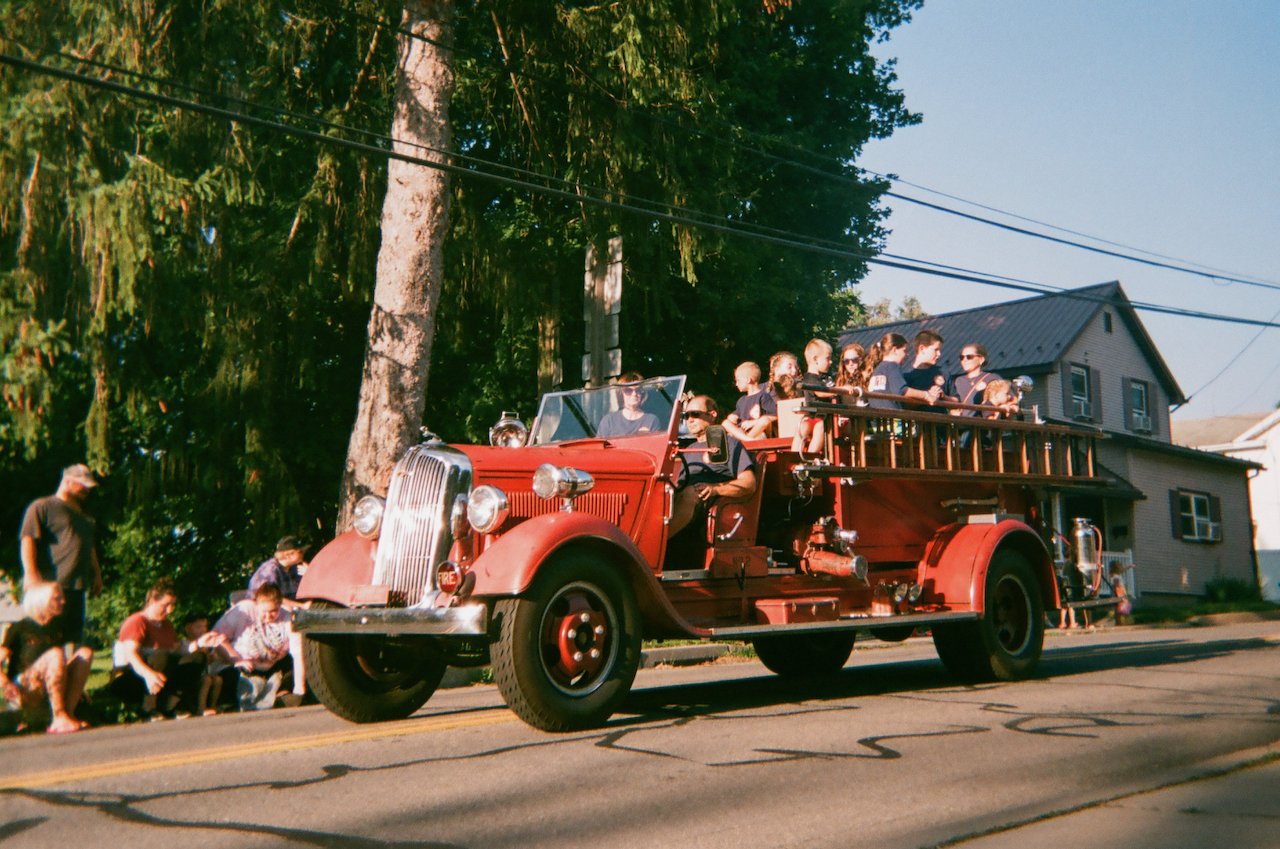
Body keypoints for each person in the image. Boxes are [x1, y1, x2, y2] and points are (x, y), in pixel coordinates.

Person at [111, 578, 224, 718]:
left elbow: (177, 651)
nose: (170, 610)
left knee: (196, 658)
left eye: (173, 605)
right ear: (152, 601)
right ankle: (148, 708)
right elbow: (130, 654)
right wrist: (148, 674)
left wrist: (200, 643)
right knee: (161, 656)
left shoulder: (166, 625)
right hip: (132, 675)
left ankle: (173, 706)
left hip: (159, 674)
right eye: (165, 605)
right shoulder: (137, 622)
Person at [18, 464, 104, 646]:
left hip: (77, 586)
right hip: (50, 588)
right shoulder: (42, 506)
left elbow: (89, 546)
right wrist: (31, 574)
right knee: (44, 639)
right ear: (67, 481)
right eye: (83, 484)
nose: (87, 489)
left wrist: (97, 573)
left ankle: (69, 674)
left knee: (72, 639)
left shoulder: (84, 515)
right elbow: (28, 539)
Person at [0, 583, 92, 734]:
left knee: (85, 653)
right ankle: (59, 716)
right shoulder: (19, 628)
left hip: (49, 685)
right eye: (57, 598)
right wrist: (6, 684)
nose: (63, 601)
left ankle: (66, 714)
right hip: (24, 688)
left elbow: (59, 666)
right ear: (41, 602)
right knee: (55, 653)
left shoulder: (58, 628)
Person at [669, 395, 757, 537]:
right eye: (686, 415)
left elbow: (749, 483)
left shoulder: (728, 442)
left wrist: (715, 489)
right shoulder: (688, 448)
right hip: (682, 500)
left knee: (690, 492)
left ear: (712, 415)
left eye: (695, 414)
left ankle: (650, 547)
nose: (689, 420)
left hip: (705, 503)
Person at [248, 535, 311, 706]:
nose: (304, 554)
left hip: (286, 615)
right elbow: (273, 601)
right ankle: (293, 689)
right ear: (289, 555)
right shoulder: (270, 571)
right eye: (301, 552)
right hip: (266, 620)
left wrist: (311, 574)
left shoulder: (293, 569)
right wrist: (302, 607)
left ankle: (299, 685)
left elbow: (305, 592)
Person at [213, 583, 296, 710]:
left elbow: (297, 651)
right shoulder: (244, 610)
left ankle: (282, 694)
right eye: (264, 611)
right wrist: (237, 660)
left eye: (273, 611)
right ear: (257, 604)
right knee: (232, 676)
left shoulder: (287, 617)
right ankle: (232, 703)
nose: (268, 616)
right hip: (240, 664)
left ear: (280, 606)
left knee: (293, 665)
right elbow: (218, 639)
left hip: (272, 665)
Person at [596, 372, 662, 438]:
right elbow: (599, 446)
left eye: (638, 390)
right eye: (628, 390)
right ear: (621, 394)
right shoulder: (609, 421)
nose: (634, 394)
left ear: (643, 393)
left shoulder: (651, 420)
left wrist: (646, 438)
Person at [723, 361, 777, 441]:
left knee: (764, 419)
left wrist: (753, 423)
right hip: (743, 433)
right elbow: (735, 417)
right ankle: (746, 440)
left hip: (758, 433)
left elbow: (775, 416)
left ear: (748, 380)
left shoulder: (763, 396)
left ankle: (747, 441)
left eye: (738, 380)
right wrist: (732, 417)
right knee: (725, 422)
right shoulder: (741, 400)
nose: (736, 384)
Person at [181, 613, 223, 715]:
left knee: (217, 679)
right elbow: (190, 654)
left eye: (205, 627)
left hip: (204, 672)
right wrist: (201, 648)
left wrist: (213, 656)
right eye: (198, 627)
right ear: (188, 628)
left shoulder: (206, 643)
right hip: (191, 675)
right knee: (206, 680)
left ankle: (212, 705)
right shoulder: (184, 643)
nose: (203, 630)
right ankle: (201, 708)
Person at [902, 330, 953, 411]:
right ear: (922, 349)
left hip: (941, 422)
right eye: (936, 350)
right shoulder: (906, 375)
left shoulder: (943, 372)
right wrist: (927, 396)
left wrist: (943, 396)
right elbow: (903, 405)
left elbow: (957, 402)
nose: (939, 354)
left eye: (940, 350)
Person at [951, 343, 999, 416]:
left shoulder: (992, 378)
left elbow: (1007, 398)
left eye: (969, 357)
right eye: (961, 357)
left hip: (983, 423)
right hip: (962, 423)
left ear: (981, 359)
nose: (964, 360)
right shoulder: (958, 381)